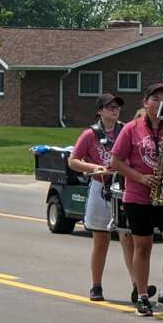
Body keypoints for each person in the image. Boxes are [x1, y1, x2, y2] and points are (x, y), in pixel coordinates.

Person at [110, 83, 163, 316]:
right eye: (155, 99)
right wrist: (140, 178)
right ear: (146, 103)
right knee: (143, 247)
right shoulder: (131, 129)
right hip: (137, 195)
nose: (159, 103)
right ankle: (143, 295)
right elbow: (115, 161)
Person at [67, 93, 135, 302]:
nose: (115, 110)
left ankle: (137, 286)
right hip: (100, 188)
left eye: (117, 107)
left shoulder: (127, 131)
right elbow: (73, 161)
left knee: (127, 238)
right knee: (100, 240)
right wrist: (94, 167)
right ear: (100, 111)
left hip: (124, 188)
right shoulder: (90, 134)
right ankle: (96, 285)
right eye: (110, 107)